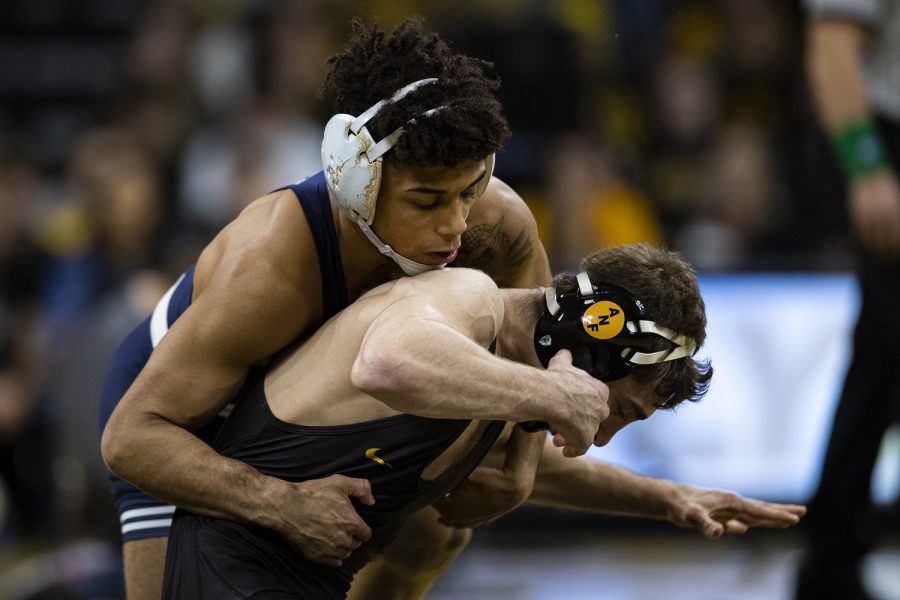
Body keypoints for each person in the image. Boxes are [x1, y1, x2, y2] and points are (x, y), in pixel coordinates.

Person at [160, 243, 806, 599]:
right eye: (621, 411)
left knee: (440, 534)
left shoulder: (495, 390)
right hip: (220, 534)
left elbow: (542, 472)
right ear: (599, 338)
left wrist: (668, 498)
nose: (599, 437)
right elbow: (386, 363)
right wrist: (551, 397)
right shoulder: (467, 299)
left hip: (273, 567)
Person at [796, 2, 900, 599]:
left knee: (881, 361)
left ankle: (831, 563)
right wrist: (867, 165)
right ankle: (831, 558)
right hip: (880, 142)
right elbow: (831, 40)